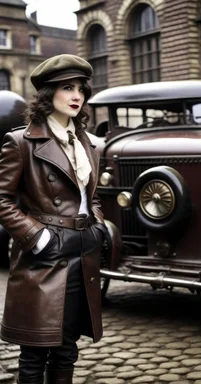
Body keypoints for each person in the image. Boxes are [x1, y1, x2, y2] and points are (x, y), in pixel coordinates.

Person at [0, 54, 107, 384]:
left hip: (82, 252)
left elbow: (91, 196)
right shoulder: (21, 142)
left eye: (81, 89)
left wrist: (99, 226)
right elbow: (2, 199)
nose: (77, 96)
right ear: (48, 94)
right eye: (67, 88)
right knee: (35, 350)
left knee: (66, 347)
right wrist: (38, 237)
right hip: (43, 257)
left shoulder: (87, 143)